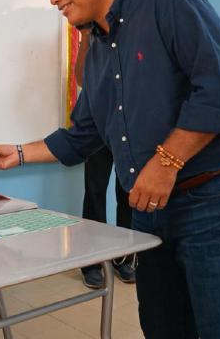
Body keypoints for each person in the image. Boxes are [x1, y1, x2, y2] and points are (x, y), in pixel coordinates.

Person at [0, 0, 220, 338]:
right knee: (163, 325)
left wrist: (167, 161)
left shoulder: (167, 1)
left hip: (214, 201)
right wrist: (19, 152)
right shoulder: (96, 53)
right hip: (150, 213)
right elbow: (83, 134)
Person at [74, 25, 135, 289]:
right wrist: (86, 36)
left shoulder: (133, 34)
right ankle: (92, 262)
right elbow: (81, 79)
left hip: (129, 128)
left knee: (128, 195)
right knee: (95, 192)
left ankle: (124, 259)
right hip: (98, 128)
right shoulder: (94, 37)